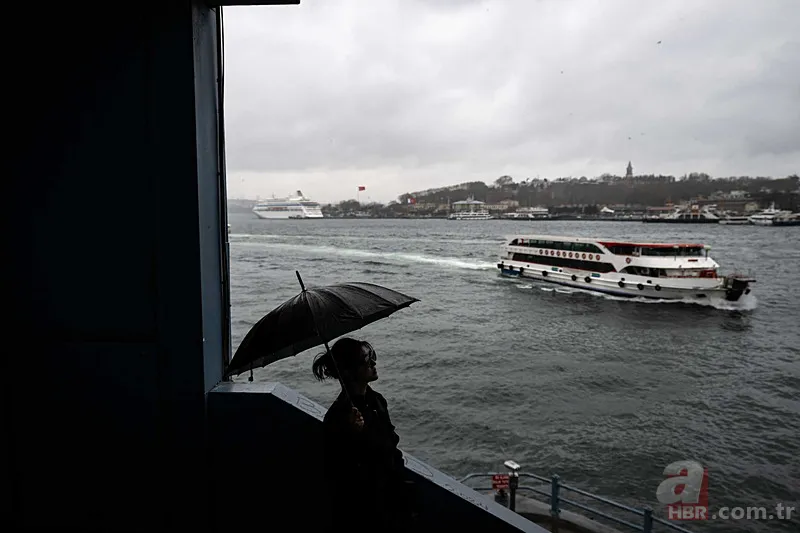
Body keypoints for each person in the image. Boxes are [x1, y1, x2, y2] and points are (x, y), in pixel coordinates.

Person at [312, 337, 416, 532]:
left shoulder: (377, 401)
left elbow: (390, 445)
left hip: (391, 501)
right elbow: (338, 471)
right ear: (350, 371)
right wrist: (352, 435)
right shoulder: (338, 416)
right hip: (363, 512)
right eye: (366, 361)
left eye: (371, 357)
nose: (373, 363)